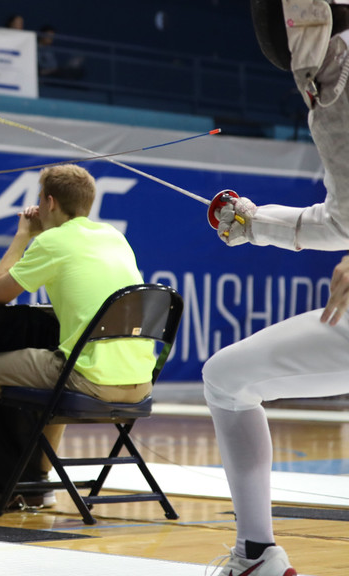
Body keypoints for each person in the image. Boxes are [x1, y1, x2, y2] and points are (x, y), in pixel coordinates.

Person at [0, 164, 155, 512]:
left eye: (40, 199)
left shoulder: (52, 241)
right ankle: (39, 483)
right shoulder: (115, 237)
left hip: (90, 379)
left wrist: (23, 235)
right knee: (57, 363)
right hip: (141, 384)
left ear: (50, 202)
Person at [202, 3, 349, 574]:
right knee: (227, 377)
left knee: (225, 379)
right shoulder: (331, 92)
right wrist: (254, 223)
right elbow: (342, 220)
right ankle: (256, 556)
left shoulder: (340, 82)